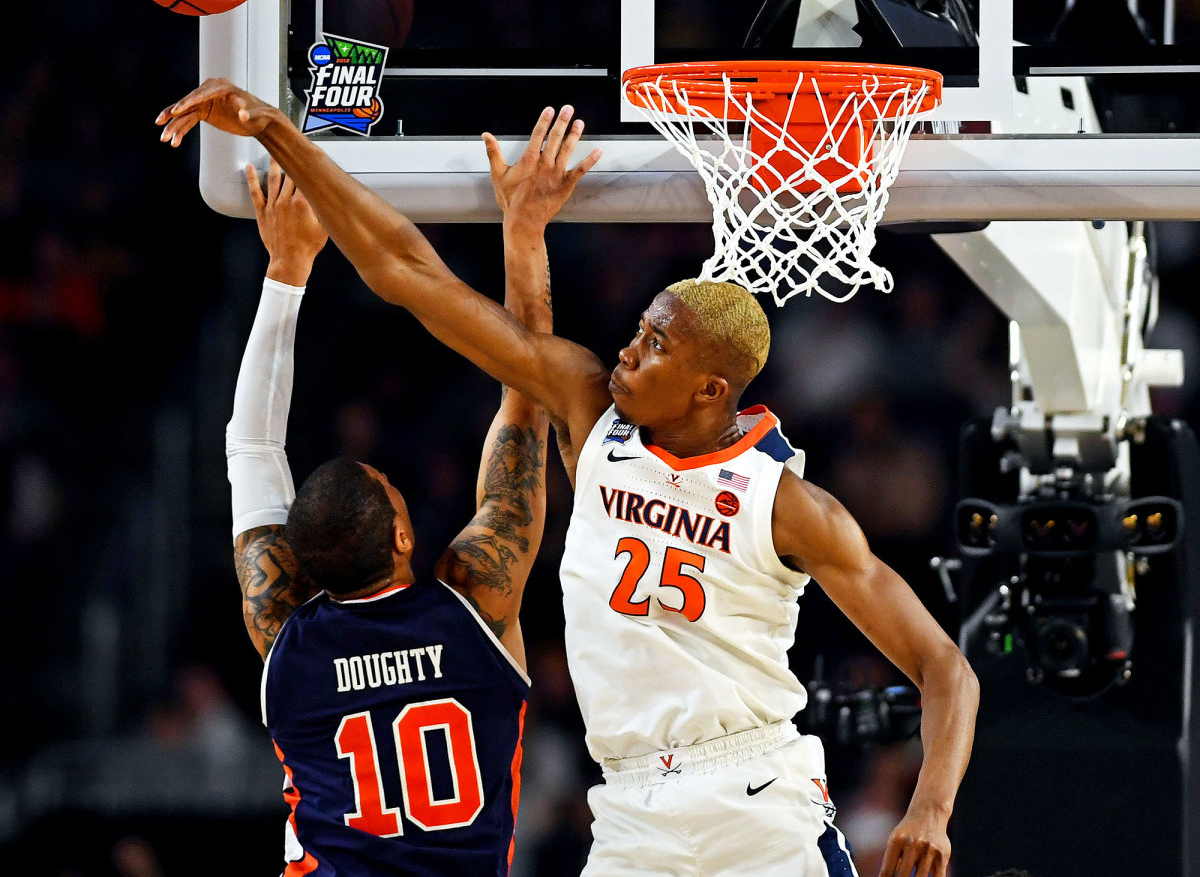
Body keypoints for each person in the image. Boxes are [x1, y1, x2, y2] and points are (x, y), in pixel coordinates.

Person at [160, 80, 979, 877]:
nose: (627, 349)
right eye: (636, 329)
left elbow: (946, 668)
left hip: (755, 794)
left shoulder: (791, 506)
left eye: (655, 344)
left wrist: (931, 807)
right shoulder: (594, 414)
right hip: (629, 811)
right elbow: (407, 272)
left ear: (710, 390)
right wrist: (279, 133)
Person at [222, 119, 580, 874]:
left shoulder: (285, 633)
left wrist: (284, 270)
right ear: (402, 538)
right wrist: (525, 234)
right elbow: (527, 399)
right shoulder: (473, 602)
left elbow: (251, 450)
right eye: (395, 492)